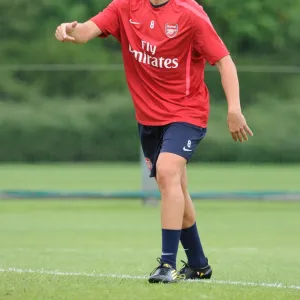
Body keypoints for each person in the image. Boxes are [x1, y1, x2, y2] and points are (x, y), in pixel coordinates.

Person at [55, 0, 253, 284]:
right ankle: (198, 264)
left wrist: (234, 109)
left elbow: (224, 60)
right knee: (175, 189)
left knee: (167, 171)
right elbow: (85, 32)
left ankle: (167, 264)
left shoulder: (190, 14)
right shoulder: (125, 6)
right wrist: (68, 30)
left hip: (187, 113)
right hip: (148, 119)